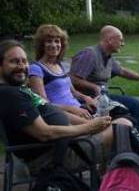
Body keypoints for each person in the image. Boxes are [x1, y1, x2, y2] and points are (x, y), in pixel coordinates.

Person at [0, 40, 131, 175]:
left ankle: (106, 177)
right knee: (123, 126)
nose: (22, 66)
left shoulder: (17, 90)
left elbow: (50, 111)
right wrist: (89, 127)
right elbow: (44, 133)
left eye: (24, 61)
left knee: (120, 121)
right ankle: (118, 181)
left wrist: (90, 123)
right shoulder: (10, 95)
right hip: (52, 158)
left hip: (66, 142)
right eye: (15, 61)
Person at [69, 25, 139, 130]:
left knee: (133, 104)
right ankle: (138, 138)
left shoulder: (108, 56)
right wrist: (94, 87)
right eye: (121, 40)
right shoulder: (89, 54)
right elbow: (73, 79)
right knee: (133, 105)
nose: (123, 44)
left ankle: (138, 136)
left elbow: (122, 71)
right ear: (110, 40)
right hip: (88, 100)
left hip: (104, 99)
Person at [28, 24, 97, 124]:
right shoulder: (36, 68)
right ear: (41, 45)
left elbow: (73, 92)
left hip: (79, 108)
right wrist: (72, 109)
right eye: (49, 41)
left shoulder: (60, 65)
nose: (54, 45)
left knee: (116, 112)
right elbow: (43, 104)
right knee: (103, 126)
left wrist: (86, 98)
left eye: (57, 41)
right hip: (62, 116)